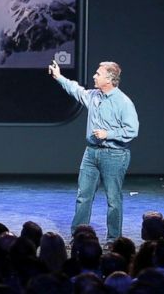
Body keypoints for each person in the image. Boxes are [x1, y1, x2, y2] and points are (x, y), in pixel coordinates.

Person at [49, 59, 139, 243]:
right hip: (91, 153)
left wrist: (109, 133)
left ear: (109, 79)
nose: (94, 76)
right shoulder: (94, 96)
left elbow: (132, 130)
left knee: (113, 199)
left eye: (98, 74)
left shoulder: (123, 102)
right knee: (83, 196)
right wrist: (59, 77)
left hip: (114, 155)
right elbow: (76, 89)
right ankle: (79, 236)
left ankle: (114, 239)